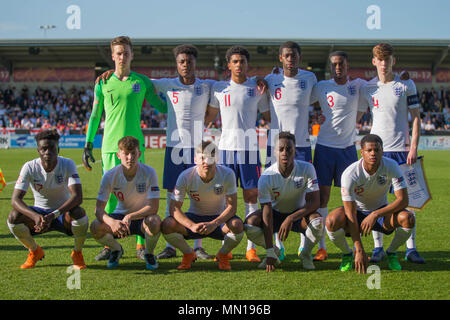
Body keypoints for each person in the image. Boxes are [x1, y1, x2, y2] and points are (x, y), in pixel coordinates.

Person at [84, 36, 167, 262]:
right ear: (112, 56)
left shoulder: (142, 81)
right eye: (118, 53)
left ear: (132, 55)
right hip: (110, 147)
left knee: (140, 193)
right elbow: (94, 114)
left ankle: (141, 245)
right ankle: (113, 245)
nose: (123, 56)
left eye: (126, 52)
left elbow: (161, 105)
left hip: (135, 147)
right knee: (110, 195)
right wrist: (88, 143)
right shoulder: (103, 82)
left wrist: (180, 96)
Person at [205, 45, 271, 262]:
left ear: (247, 64)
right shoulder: (218, 88)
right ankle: (228, 245)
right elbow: (209, 117)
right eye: (235, 61)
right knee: (226, 199)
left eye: (242, 61)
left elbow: (269, 116)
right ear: (228, 65)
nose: (239, 65)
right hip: (225, 149)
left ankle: (250, 248)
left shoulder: (257, 87)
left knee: (251, 195)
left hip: (250, 149)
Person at [361, 43, 425, 264]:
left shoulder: (406, 84)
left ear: (393, 61)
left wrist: (414, 147)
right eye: (380, 59)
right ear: (374, 62)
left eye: (388, 59)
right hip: (376, 152)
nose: (384, 63)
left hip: (402, 152)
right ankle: (378, 248)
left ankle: (411, 248)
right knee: (375, 200)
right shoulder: (367, 87)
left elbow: (416, 117)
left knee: (408, 202)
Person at [308, 51, 368, 262]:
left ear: (347, 65)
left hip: (347, 150)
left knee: (353, 198)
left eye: (341, 63)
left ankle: (356, 245)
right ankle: (322, 247)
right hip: (324, 148)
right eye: (334, 64)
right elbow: (297, 97)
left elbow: (380, 83)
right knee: (322, 198)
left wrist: (403, 76)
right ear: (330, 68)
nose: (337, 68)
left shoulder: (358, 85)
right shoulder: (322, 87)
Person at [326, 134, 415, 272]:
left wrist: (375, 214)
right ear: (362, 152)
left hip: (382, 213)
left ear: (382, 151)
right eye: (369, 150)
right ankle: (347, 254)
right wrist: (359, 249)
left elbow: (403, 200)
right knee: (331, 221)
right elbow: (349, 212)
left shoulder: (391, 166)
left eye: (377, 150)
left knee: (408, 218)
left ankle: (391, 253)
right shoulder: (350, 173)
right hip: (357, 213)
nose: (373, 153)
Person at [263, 41, 317, 259]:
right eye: (287, 55)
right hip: (274, 146)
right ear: (280, 58)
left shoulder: (310, 79)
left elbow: (316, 100)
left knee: (304, 194)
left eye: (294, 55)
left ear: (299, 58)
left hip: (302, 144)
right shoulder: (270, 80)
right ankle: (277, 243)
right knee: (275, 193)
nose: (291, 58)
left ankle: (305, 245)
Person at [7, 129, 88, 269]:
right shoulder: (29, 167)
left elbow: (77, 196)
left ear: (58, 149)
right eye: (44, 149)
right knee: (13, 217)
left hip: (62, 214)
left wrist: (54, 214)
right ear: (38, 151)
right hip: (39, 213)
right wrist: (36, 216)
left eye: (52, 148)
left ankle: (77, 253)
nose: (48, 152)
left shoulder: (68, 164)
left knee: (79, 213)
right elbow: (15, 200)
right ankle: (34, 251)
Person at [245, 131, 322, 271]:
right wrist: (268, 252)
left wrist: (291, 218)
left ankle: (305, 254)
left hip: (298, 215)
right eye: (281, 149)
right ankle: (274, 252)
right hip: (275, 214)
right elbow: (267, 213)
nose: (285, 152)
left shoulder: (307, 168)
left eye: (289, 149)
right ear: (275, 152)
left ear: (295, 150)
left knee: (318, 222)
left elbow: (315, 202)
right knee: (249, 224)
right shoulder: (266, 177)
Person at [161, 141, 244, 270]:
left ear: (216, 159)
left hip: (219, 221)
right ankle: (188, 253)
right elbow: (174, 208)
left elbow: (232, 207)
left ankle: (223, 254)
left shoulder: (227, 174)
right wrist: (191, 225)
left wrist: (214, 223)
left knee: (237, 225)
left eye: (211, 157)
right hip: (195, 219)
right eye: (202, 157)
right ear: (195, 159)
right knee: (167, 225)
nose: (207, 161)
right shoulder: (185, 176)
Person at [89, 136, 161, 270]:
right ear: (118, 155)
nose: (130, 157)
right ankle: (116, 249)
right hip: (120, 218)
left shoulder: (149, 172)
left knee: (155, 221)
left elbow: (154, 207)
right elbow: (98, 209)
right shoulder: (110, 175)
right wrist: (112, 222)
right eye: (126, 154)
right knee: (95, 226)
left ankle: (149, 254)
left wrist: (130, 216)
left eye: (133, 153)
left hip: (141, 219)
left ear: (139, 154)